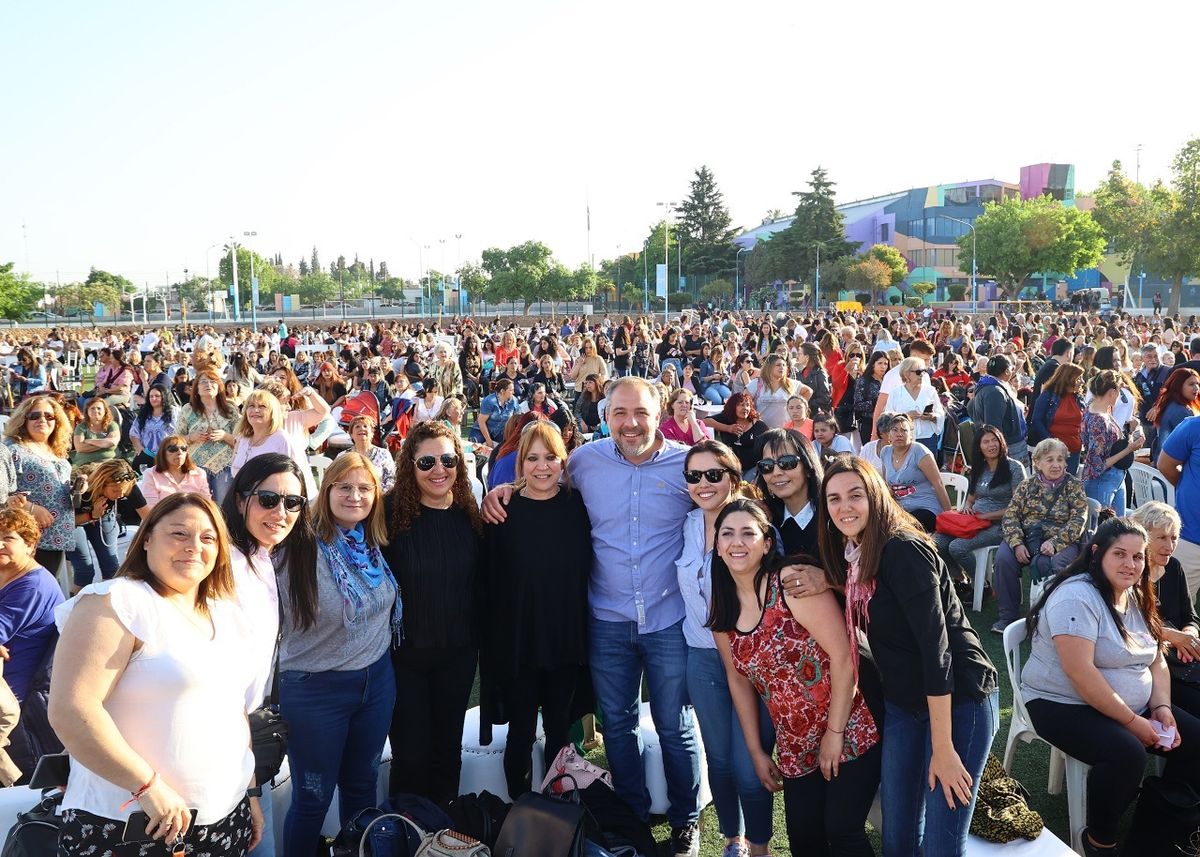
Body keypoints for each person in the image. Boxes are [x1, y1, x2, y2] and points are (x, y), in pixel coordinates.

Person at [481, 375, 703, 856]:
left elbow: (725, 505)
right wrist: (498, 493)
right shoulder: (586, 461)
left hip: (666, 619)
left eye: (640, 412)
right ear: (605, 416)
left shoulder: (686, 467)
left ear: (659, 410)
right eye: (619, 413)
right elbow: (536, 479)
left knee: (673, 722)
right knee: (618, 726)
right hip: (606, 619)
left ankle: (686, 819)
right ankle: (630, 816)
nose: (630, 423)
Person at [49, 494, 261, 857]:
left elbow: (234, 712)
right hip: (134, 826)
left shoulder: (227, 613)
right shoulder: (115, 601)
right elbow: (72, 709)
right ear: (146, 538)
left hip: (226, 818)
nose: (194, 547)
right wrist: (147, 789)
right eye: (179, 534)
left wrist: (250, 791)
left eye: (208, 538)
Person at [819, 455, 999, 857]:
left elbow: (937, 655)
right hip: (905, 704)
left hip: (958, 701)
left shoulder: (904, 550)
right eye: (833, 499)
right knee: (897, 839)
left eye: (855, 495)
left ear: (876, 496)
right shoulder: (852, 554)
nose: (844, 507)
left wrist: (944, 747)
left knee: (941, 845)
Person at [710, 499, 880, 857]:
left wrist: (834, 735)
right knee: (805, 840)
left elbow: (844, 656)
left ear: (767, 542)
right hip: (795, 743)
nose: (737, 542)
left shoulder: (790, 584)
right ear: (717, 545)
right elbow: (737, 680)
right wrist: (757, 752)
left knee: (842, 829)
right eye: (727, 534)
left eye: (747, 533)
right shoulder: (722, 611)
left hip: (848, 723)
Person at [1021, 517, 1200, 857]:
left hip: (1128, 700)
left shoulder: (1133, 593)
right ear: (1097, 552)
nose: (1130, 564)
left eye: (1137, 557)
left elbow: (1156, 657)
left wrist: (1161, 706)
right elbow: (1081, 674)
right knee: (1126, 753)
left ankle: (1159, 820)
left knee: (1195, 740)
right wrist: (1134, 723)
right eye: (1120, 554)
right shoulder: (1077, 597)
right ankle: (1099, 840)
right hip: (1060, 702)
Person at [276, 452, 399, 854]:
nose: (355, 496)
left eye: (364, 488)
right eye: (344, 487)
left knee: (363, 786)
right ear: (325, 491)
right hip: (315, 689)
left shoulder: (371, 541)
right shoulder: (295, 546)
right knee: (313, 798)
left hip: (376, 682)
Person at [481, 421, 592, 798]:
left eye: (551, 458)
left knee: (561, 728)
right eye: (533, 458)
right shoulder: (503, 510)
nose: (542, 467)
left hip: (565, 635)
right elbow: (491, 580)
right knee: (522, 731)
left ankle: (559, 806)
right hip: (520, 640)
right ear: (519, 463)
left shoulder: (578, 505)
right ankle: (521, 806)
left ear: (563, 461)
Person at [676, 442, 774, 857]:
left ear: (733, 477)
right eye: (694, 476)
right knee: (718, 758)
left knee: (750, 767)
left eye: (713, 474)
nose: (703, 483)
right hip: (701, 658)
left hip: (752, 664)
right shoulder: (685, 524)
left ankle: (760, 845)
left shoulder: (755, 524)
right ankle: (732, 839)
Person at [383, 421, 483, 804]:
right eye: (427, 462)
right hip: (404, 656)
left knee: (447, 751)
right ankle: (405, 833)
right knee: (410, 755)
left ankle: (442, 831)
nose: (439, 469)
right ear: (410, 465)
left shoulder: (469, 512)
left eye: (448, 459)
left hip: (457, 654)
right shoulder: (389, 512)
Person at [993, 438, 1089, 634]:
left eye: (1060, 459)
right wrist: (1017, 543)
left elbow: (1079, 520)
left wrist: (1055, 542)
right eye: (1049, 459)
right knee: (1003, 558)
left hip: (1062, 541)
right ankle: (1007, 617)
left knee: (1053, 565)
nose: (1056, 465)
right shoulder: (1026, 486)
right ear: (1037, 463)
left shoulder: (1074, 486)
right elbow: (1011, 516)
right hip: (1028, 537)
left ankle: (1046, 621)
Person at [0, 507, 63, 781]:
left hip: (18, 711)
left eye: (7, 537)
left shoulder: (33, 585)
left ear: (30, 544)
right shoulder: (7, 576)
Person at [1129, 502, 1200, 717]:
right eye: (1161, 538)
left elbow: (1191, 617)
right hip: (1151, 666)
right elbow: (1126, 628)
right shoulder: (1128, 574)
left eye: (1174, 538)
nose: (1169, 546)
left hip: (1183, 656)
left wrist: (1189, 635)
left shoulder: (1174, 567)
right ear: (1142, 537)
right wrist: (1171, 636)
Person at [934, 425, 1026, 583]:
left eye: (994, 440)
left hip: (1000, 525)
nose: (991, 445)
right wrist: (968, 507)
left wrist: (985, 516)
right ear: (979, 447)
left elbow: (1018, 507)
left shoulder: (1014, 468)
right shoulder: (980, 468)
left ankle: (981, 584)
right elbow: (971, 498)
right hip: (974, 522)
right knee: (938, 543)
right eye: (986, 442)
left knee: (957, 547)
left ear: (1001, 442)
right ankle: (960, 578)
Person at [4, 395, 74, 579]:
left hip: (56, 536)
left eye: (49, 416)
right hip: (24, 538)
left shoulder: (57, 450)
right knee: (25, 591)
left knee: (44, 590)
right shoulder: (11, 448)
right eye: (34, 416)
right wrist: (31, 508)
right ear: (23, 419)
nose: (42, 420)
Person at [231, 386, 329, 498]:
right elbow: (235, 470)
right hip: (246, 501)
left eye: (262, 406)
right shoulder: (242, 439)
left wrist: (310, 392)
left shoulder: (282, 436)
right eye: (251, 406)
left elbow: (290, 476)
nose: (255, 410)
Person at [67, 459, 142, 593]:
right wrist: (92, 515)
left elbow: (147, 514)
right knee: (85, 569)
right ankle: (75, 608)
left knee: (111, 566)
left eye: (123, 492)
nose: (120, 495)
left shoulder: (127, 483)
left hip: (103, 516)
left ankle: (109, 604)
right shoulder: (80, 487)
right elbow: (65, 520)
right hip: (73, 521)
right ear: (102, 483)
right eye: (115, 490)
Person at [877, 413, 951, 533]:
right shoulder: (885, 452)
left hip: (925, 507)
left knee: (901, 530)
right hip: (901, 509)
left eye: (904, 430)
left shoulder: (919, 452)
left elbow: (938, 484)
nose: (899, 434)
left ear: (911, 435)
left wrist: (949, 516)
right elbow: (887, 486)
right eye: (894, 430)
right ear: (889, 434)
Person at [1081, 370, 1142, 515]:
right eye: (1119, 392)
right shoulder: (1099, 420)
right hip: (1103, 480)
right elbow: (1097, 465)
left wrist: (1130, 431)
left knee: (1118, 529)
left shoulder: (1094, 409)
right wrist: (1130, 449)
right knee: (1104, 530)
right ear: (1112, 392)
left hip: (1115, 477)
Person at [1028, 362, 1085, 474]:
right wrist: (1051, 441)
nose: (1082, 382)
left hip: (1074, 451)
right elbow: (1036, 420)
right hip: (1053, 452)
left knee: (1068, 486)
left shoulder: (1078, 398)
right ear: (1068, 378)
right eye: (1078, 378)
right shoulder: (1048, 395)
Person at [886, 356, 944, 456]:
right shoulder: (895, 393)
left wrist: (933, 417)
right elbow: (888, 416)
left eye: (923, 371)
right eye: (918, 372)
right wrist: (905, 416)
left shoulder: (930, 391)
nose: (921, 375)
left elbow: (940, 413)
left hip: (928, 437)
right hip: (903, 439)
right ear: (906, 373)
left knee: (928, 469)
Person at [702, 392, 770, 475]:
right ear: (733, 407)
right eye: (741, 405)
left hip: (753, 467)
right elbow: (704, 422)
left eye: (747, 405)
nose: (745, 408)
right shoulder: (726, 418)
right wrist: (727, 428)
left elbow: (769, 444)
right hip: (730, 465)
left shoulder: (758, 425)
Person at [139, 434, 210, 509]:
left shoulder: (199, 473)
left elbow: (207, 503)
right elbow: (151, 508)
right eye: (173, 449)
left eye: (183, 448)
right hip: (163, 519)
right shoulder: (150, 474)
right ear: (162, 454)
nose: (179, 452)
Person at [1151, 367, 1200, 460]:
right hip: (1172, 467)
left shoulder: (1169, 404)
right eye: (1191, 384)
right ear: (1178, 386)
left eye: (1197, 384)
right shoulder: (1182, 412)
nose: (1196, 388)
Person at [340, 414, 396, 493]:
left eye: (365, 426)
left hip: (379, 498)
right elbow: (336, 479)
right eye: (357, 427)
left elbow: (391, 479)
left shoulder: (384, 454)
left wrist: (376, 495)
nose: (362, 429)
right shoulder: (342, 456)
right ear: (351, 434)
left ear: (372, 433)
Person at [745, 354, 801, 429]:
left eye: (784, 365)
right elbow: (743, 401)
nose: (782, 368)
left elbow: (808, 391)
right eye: (778, 365)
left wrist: (798, 408)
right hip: (761, 431)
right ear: (769, 367)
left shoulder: (791, 383)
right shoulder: (757, 383)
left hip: (785, 431)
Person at [130, 384, 176, 472]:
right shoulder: (144, 413)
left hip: (169, 455)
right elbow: (133, 433)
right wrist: (139, 448)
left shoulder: (174, 412)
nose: (153, 399)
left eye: (157, 396)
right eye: (151, 396)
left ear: (164, 396)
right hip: (148, 455)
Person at [853, 351, 888, 446]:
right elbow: (857, 405)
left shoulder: (889, 380)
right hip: (868, 423)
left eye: (885, 363)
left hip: (888, 423)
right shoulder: (864, 381)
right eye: (880, 363)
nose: (883, 366)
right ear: (873, 364)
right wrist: (876, 402)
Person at [71, 397, 120, 466]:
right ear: (87, 411)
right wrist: (104, 443)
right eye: (92, 408)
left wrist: (89, 441)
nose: (96, 411)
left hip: (108, 463)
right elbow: (79, 448)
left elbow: (112, 442)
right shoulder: (81, 427)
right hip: (84, 463)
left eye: (99, 408)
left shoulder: (112, 425)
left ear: (105, 411)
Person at [473, 378, 520, 448]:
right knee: (476, 446)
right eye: (511, 390)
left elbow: (516, 419)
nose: (513, 392)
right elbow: (481, 422)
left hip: (501, 433)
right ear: (502, 391)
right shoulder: (489, 401)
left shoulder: (514, 401)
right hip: (481, 431)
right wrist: (488, 440)